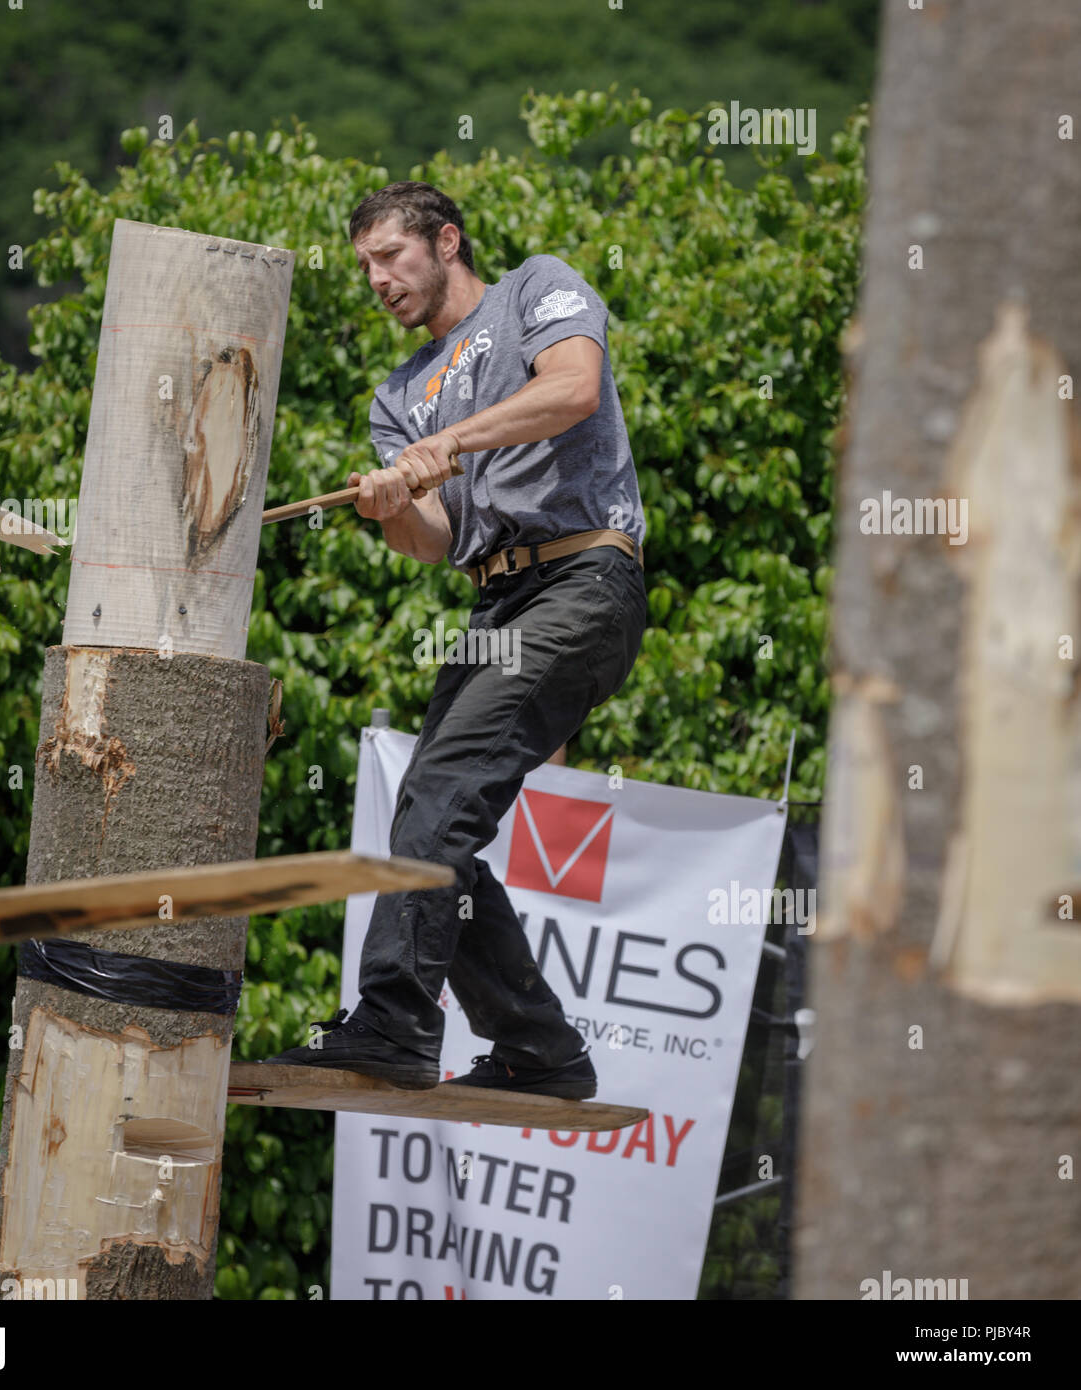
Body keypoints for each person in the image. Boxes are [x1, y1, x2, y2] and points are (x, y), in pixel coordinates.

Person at [269, 182, 646, 1099]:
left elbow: (570, 390)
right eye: (363, 266)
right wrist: (395, 505)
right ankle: (540, 1049)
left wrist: (454, 445)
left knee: (439, 797)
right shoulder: (397, 395)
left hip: (582, 577)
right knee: (428, 824)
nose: (377, 279)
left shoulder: (535, 292)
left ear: (446, 241)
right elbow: (433, 541)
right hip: (495, 607)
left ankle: (395, 1024)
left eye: (390, 256)